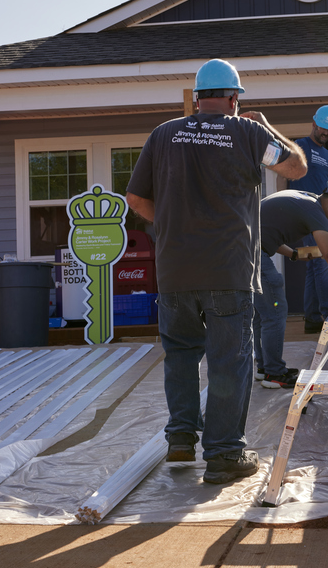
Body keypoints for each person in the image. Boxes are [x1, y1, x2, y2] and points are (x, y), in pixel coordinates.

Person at [126, 58, 307, 485]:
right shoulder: (247, 132)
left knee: (182, 356)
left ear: (197, 96)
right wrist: (270, 126)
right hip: (227, 269)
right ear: (234, 97)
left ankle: (181, 441)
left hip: (175, 271)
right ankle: (224, 455)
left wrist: (172, 227)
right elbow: (297, 167)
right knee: (229, 361)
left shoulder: (164, 134)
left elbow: (135, 199)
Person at [254, 179, 328, 389]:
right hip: (249, 249)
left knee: (264, 310)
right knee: (275, 304)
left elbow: (266, 231)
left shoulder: (307, 201)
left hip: (242, 244)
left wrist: (292, 254)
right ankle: (274, 373)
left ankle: (264, 367)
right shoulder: (316, 212)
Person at [285, 105, 328, 333]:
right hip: (304, 212)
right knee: (323, 262)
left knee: (314, 266)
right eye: (323, 130)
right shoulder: (301, 147)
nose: (326, 135)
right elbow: (288, 173)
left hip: (322, 214)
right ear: (314, 124)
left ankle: (312, 319)